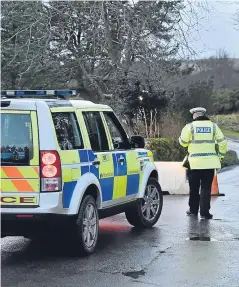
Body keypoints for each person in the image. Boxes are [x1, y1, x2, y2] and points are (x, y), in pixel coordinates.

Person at [179, 107, 227, 219]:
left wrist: (181, 140)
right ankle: (205, 213)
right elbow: (223, 142)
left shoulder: (189, 127)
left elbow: (183, 143)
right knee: (206, 188)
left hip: (194, 164)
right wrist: (220, 156)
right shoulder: (214, 126)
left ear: (195, 116)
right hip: (209, 164)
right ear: (204, 115)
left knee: (194, 188)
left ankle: (193, 210)